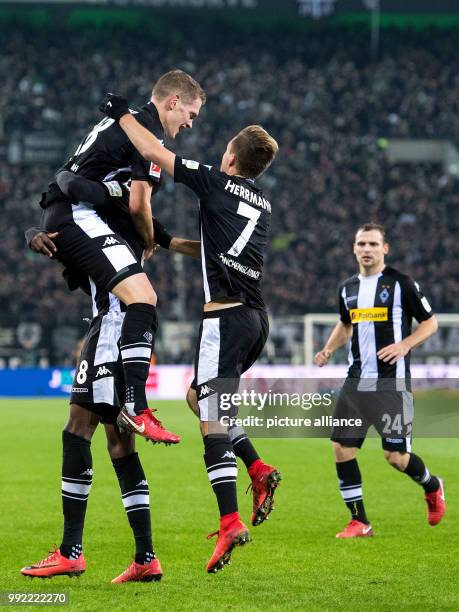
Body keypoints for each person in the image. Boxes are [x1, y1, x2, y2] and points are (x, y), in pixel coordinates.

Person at [99, 93, 282, 574]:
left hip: (225, 319)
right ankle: (258, 469)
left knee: (210, 421)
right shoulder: (261, 203)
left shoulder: (217, 180)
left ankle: (229, 521)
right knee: (202, 400)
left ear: (230, 156)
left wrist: (119, 111)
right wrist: (163, 239)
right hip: (256, 320)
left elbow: (157, 154)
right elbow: (212, 249)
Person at [21, 175, 199, 583]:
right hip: (111, 323)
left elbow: (67, 184)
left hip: (117, 323)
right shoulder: (111, 219)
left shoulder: (120, 216)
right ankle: (145, 558)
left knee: (77, 429)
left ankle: (71, 552)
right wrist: (34, 232)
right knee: (119, 441)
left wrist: (223, 248)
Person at [39, 70, 205, 442]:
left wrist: (175, 243)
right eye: (190, 115)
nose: (190, 124)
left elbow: (126, 204)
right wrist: (147, 237)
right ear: (173, 102)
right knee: (142, 296)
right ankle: (134, 407)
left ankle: (111, 402)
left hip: (77, 212)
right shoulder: (146, 136)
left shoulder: (132, 127)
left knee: (119, 307)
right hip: (75, 215)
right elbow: (138, 204)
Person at [315, 223, 445, 538]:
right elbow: (346, 324)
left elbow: (430, 323)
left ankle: (431, 484)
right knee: (341, 447)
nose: (367, 249)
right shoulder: (348, 288)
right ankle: (360, 521)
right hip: (356, 381)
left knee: (396, 458)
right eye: (362, 244)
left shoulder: (402, 284)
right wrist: (329, 349)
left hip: (392, 384)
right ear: (354, 248)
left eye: (373, 243)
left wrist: (405, 344)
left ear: (384, 249)